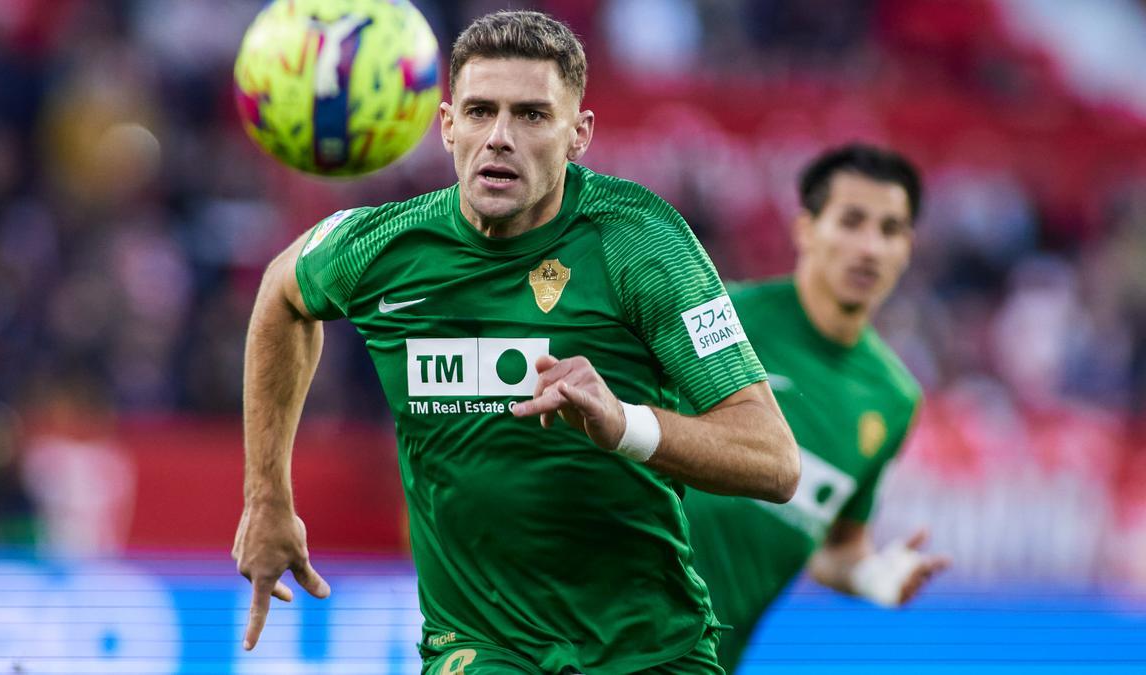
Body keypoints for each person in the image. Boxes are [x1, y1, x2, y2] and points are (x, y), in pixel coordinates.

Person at [232, 11, 800, 675]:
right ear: (447, 125)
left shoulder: (641, 243)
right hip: (479, 647)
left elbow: (774, 460)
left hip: (649, 647)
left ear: (578, 134)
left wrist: (625, 425)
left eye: (531, 115)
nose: (499, 138)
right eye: (479, 112)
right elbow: (281, 293)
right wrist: (267, 497)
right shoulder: (386, 247)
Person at [684, 143, 951, 673]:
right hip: (598, 636)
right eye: (851, 221)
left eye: (889, 229)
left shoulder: (893, 399)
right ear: (805, 229)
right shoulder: (719, 319)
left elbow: (837, 546)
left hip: (706, 662)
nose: (870, 247)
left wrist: (872, 576)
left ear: (908, 248)